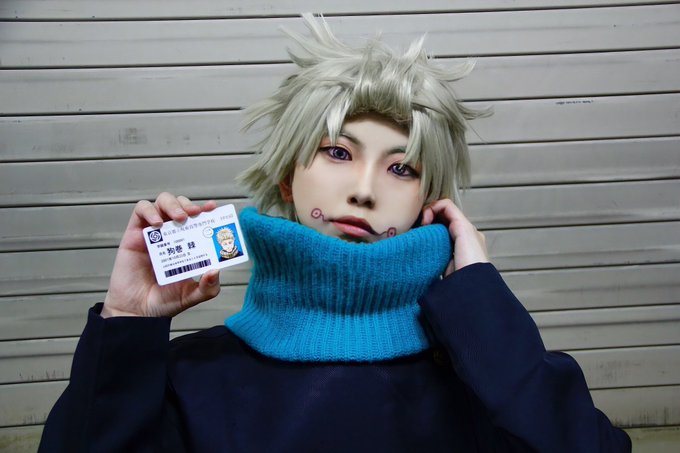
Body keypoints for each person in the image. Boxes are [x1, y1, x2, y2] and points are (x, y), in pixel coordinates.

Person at [39, 14, 631, 452]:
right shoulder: (189, 378)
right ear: (287, 177)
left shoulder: (490, 377)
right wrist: (127, 323)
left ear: (431, 202)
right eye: (338, 152)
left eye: (403, 168)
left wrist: (480, 297)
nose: (365, 190)